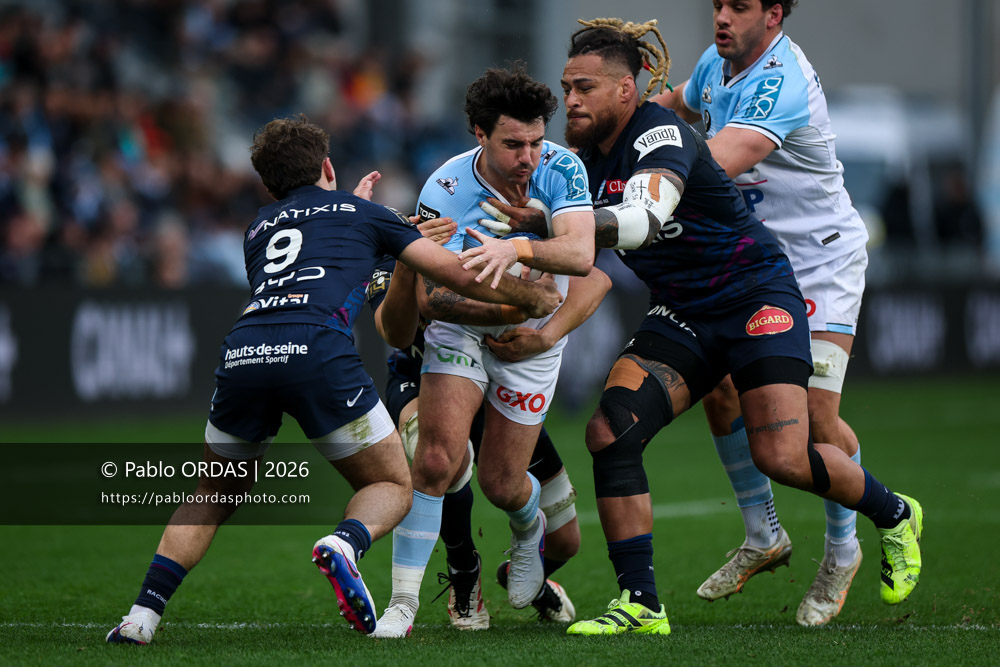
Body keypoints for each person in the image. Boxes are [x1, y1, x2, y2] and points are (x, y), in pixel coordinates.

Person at [491, 18, 923, 636]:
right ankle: (642, 604)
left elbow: (639, 222)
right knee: (611, 431)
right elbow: (559, 231)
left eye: (585, 87)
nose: (572, 100)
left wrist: (542, 239)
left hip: (756, 297)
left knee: (784, 454)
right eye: (567, 86)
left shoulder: (660, 138)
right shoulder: (577, 159)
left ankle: (895, 512)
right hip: (685, 310)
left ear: (625, 91)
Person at [105, 116, 561, 644]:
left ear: (268, 185)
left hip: (245, 351)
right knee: (392, 483)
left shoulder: (259, 227)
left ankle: (142, 616)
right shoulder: (365, 214)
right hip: (317, 352)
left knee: (212, 491)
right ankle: (344, 544)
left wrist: (369, 219)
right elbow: (455, 274)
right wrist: (534, 298)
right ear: (327, 165)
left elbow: (319, 238)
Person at [650, 0, 875, 626]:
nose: (721, 16)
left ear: (774, 15)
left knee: (816, 420)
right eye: (717, 4)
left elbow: (712, 165)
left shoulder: (781, 80)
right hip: (756, 262)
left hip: (821, 262)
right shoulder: (715, 61)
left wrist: (624, 184)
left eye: (739, 6)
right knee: (722, 391)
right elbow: (675, 106)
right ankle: (763, 534)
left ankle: (842, 550)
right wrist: (619, 118)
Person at [369, 64, 597, 638]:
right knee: (436, 459)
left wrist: (521, 248)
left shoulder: (564, 168)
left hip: (531, 348)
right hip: (468, 332)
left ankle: (526, 530)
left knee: (500, 483)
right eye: (512, 144)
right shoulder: (445, 188)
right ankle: (401, 603)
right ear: (479, 134)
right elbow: (433, 300)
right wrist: (504, 308)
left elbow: (581, 259)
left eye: (535, 142)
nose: (528, 158)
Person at [366, 237, 610, 632]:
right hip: (424, 378)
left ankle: (525, 574)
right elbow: (394, 331)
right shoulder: (396, 250)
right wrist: (407, 266)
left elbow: (595, 279)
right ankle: (463, 570)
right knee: (440, 459)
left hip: (502, 385)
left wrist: (545, 334)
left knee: (566, 540)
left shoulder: (495, 237)